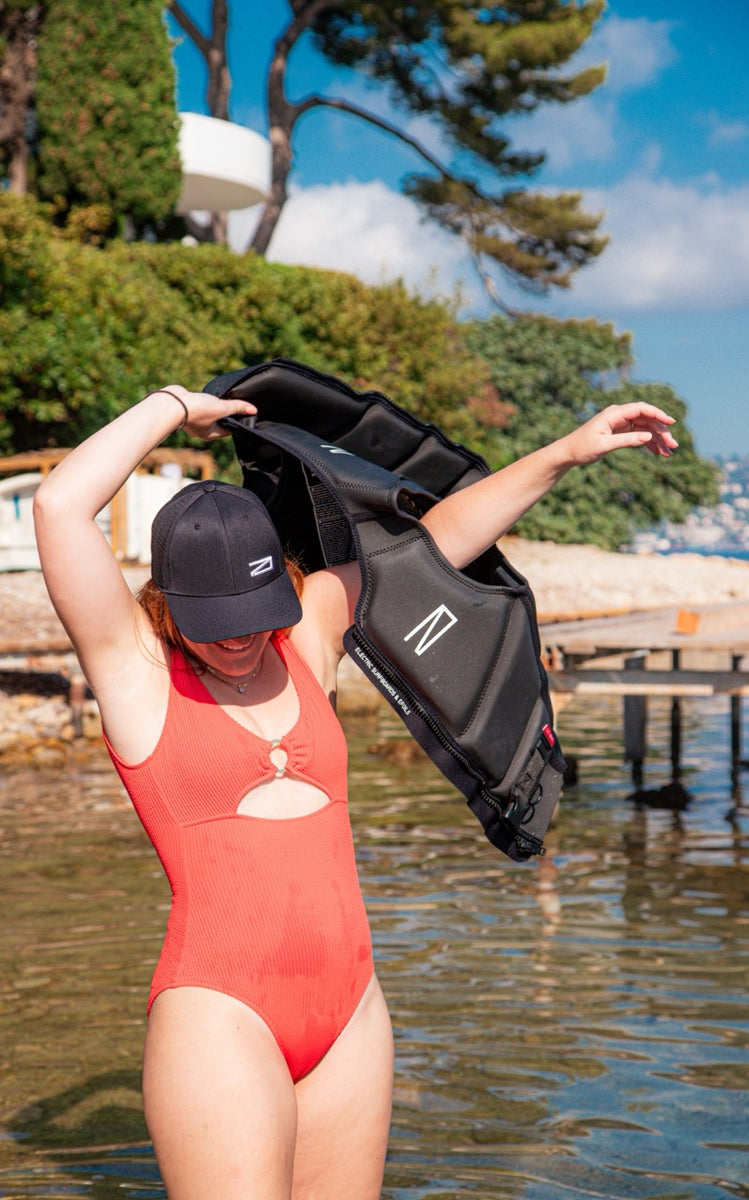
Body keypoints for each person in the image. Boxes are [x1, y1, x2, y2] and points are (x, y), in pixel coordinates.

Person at [33, 383, 677, 1200]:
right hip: (222, 1016)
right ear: (168, 602)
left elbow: (434, 546)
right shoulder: (134, 670)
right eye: (215, 620)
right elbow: (59, 506)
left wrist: (563, 453)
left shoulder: (306, 633)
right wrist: (172, 408)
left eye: (255, 610)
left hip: (351, 1011)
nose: (239, 638)